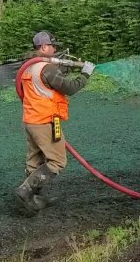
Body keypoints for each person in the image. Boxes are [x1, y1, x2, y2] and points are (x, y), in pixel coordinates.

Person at [14, 31, 95, 214]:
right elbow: (70, 88)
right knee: (57, 161)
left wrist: (65, 70)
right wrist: (85, 75)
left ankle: (34, 199)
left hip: (31, 121)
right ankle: (25, 191)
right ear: (44, 47)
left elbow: (45, 82)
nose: (55, 48)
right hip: (46, 122)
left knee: (34, 161)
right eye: (52, 45)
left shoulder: (28, 68)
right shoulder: (47, 69)